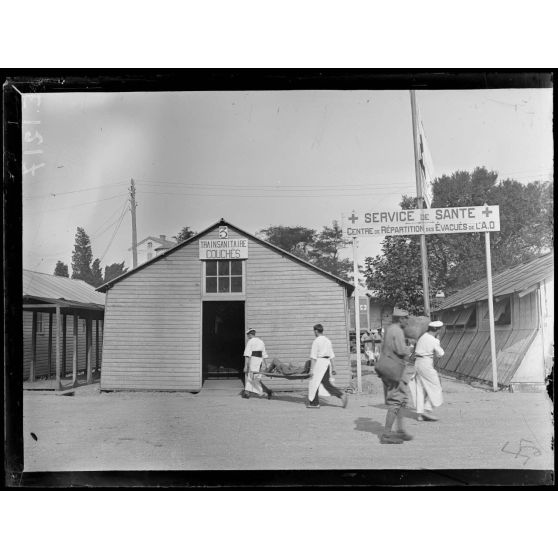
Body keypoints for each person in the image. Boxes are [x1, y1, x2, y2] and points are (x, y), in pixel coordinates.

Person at [376, 308, 414, 444]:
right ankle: (386, 434)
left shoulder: (390, 329)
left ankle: (400, 430)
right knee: (396, 400)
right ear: (400, 319)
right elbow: (401, 350)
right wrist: (410, 349)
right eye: (406, 318)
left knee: (401, 400)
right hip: (395, 370)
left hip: (390, 368)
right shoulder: (397, 331)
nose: (407, 320)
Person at [409, 321, 445, 421]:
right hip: (426, 363)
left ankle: (420, 414)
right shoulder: (434, 340)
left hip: (418, 363)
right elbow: (440, 354)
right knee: (436, 386)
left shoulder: (423, 337)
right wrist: (438, 341)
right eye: (440, 329)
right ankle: (427, 409)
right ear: (437, 330)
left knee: (420, 387)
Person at [307, 324, 348, 409]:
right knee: (326, 383)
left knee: (314, 382)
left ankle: (314, 403)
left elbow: (313, 357)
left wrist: (311, 369)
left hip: (319, 363)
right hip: (326, 364)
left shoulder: (316, 341)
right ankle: (341, 395)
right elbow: (331, 355)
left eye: (314, 331)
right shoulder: (327, 341)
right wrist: (334, 367)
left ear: (316, 331)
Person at [242, 328, 273, 400]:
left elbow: (247, 355)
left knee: (252, 377)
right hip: (260, 361)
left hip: (253, 361)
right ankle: (249, 392)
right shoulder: (261, 341)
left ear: (250, 334)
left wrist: (245, 366)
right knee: (255, 377)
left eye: (247, 335)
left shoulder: (250, 342)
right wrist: (266, 365)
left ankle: (254, 392)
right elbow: (264, 355)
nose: (247, 337)